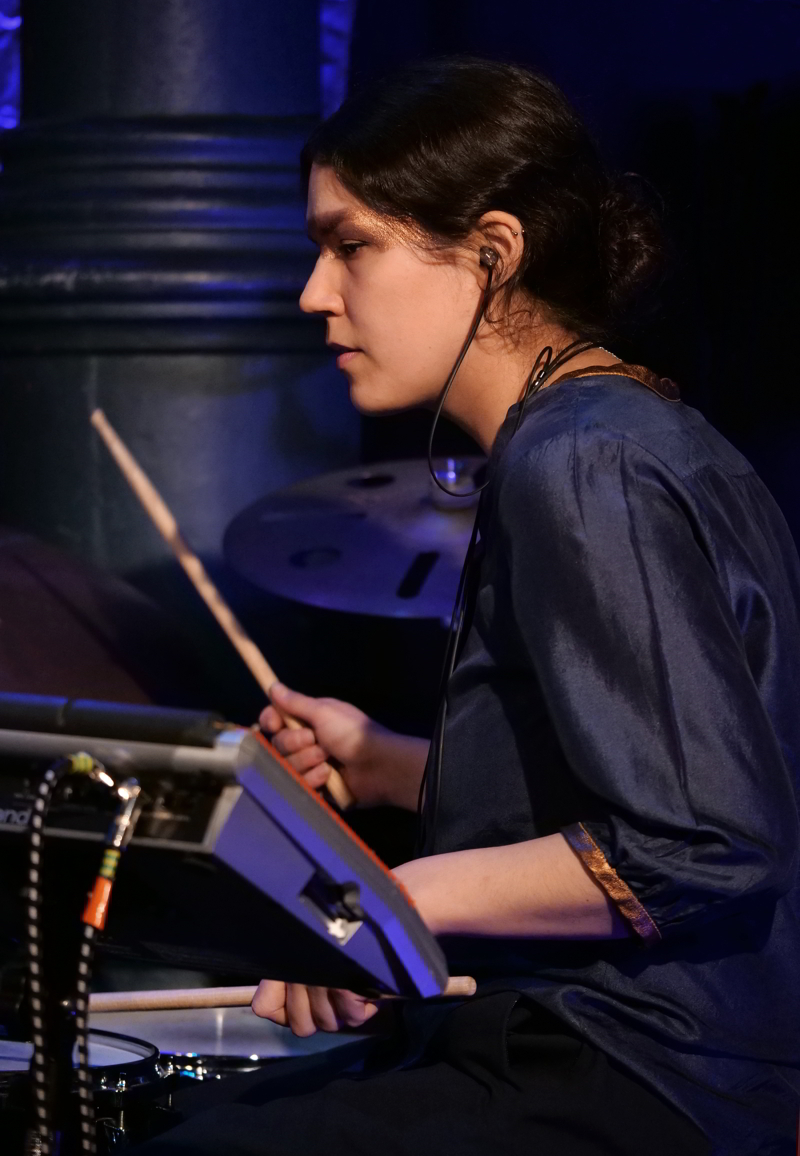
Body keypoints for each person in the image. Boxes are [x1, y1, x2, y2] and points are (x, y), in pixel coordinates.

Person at [139, 57, 800, 1155]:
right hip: (604, 1048)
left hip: (636, 1067)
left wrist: (376, 904)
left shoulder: (585, 461)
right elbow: (639, 770)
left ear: (492, 252)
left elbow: (701, 839)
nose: (313, 293)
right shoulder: (606, 432)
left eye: (351, 245)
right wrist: (386, 762)